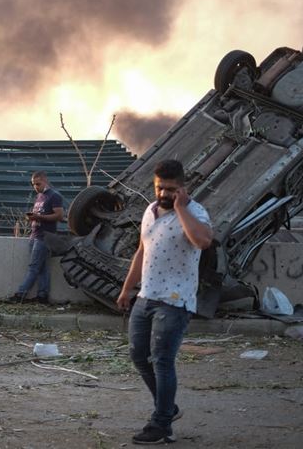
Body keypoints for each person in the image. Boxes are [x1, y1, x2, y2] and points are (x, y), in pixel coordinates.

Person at [115, 159, 213, 445]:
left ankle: (161, 425)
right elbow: (141, 252)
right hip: (146, 297)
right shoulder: (150, 210)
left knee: (162, 360)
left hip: (175, 300)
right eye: (160, 188)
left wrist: (181, 208)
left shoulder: (195, 212)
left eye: (171, 189)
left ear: (183, 187)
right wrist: (126, 289)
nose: (164, 194)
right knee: (138, 356)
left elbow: (203, 241)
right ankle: (168, 408)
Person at [7, 171, 64, 305]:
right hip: (35, 234)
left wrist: (39, 217)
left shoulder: (54, 196)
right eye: (33, 184)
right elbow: (40, 214)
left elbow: (59, 216)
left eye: (38, 184)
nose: (35, 187)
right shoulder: (39, 196)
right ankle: (42, 295)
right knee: (42, 267)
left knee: (33, 266)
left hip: (45, 236)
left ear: (45, 181)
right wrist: (31, 217)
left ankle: (21, 294)